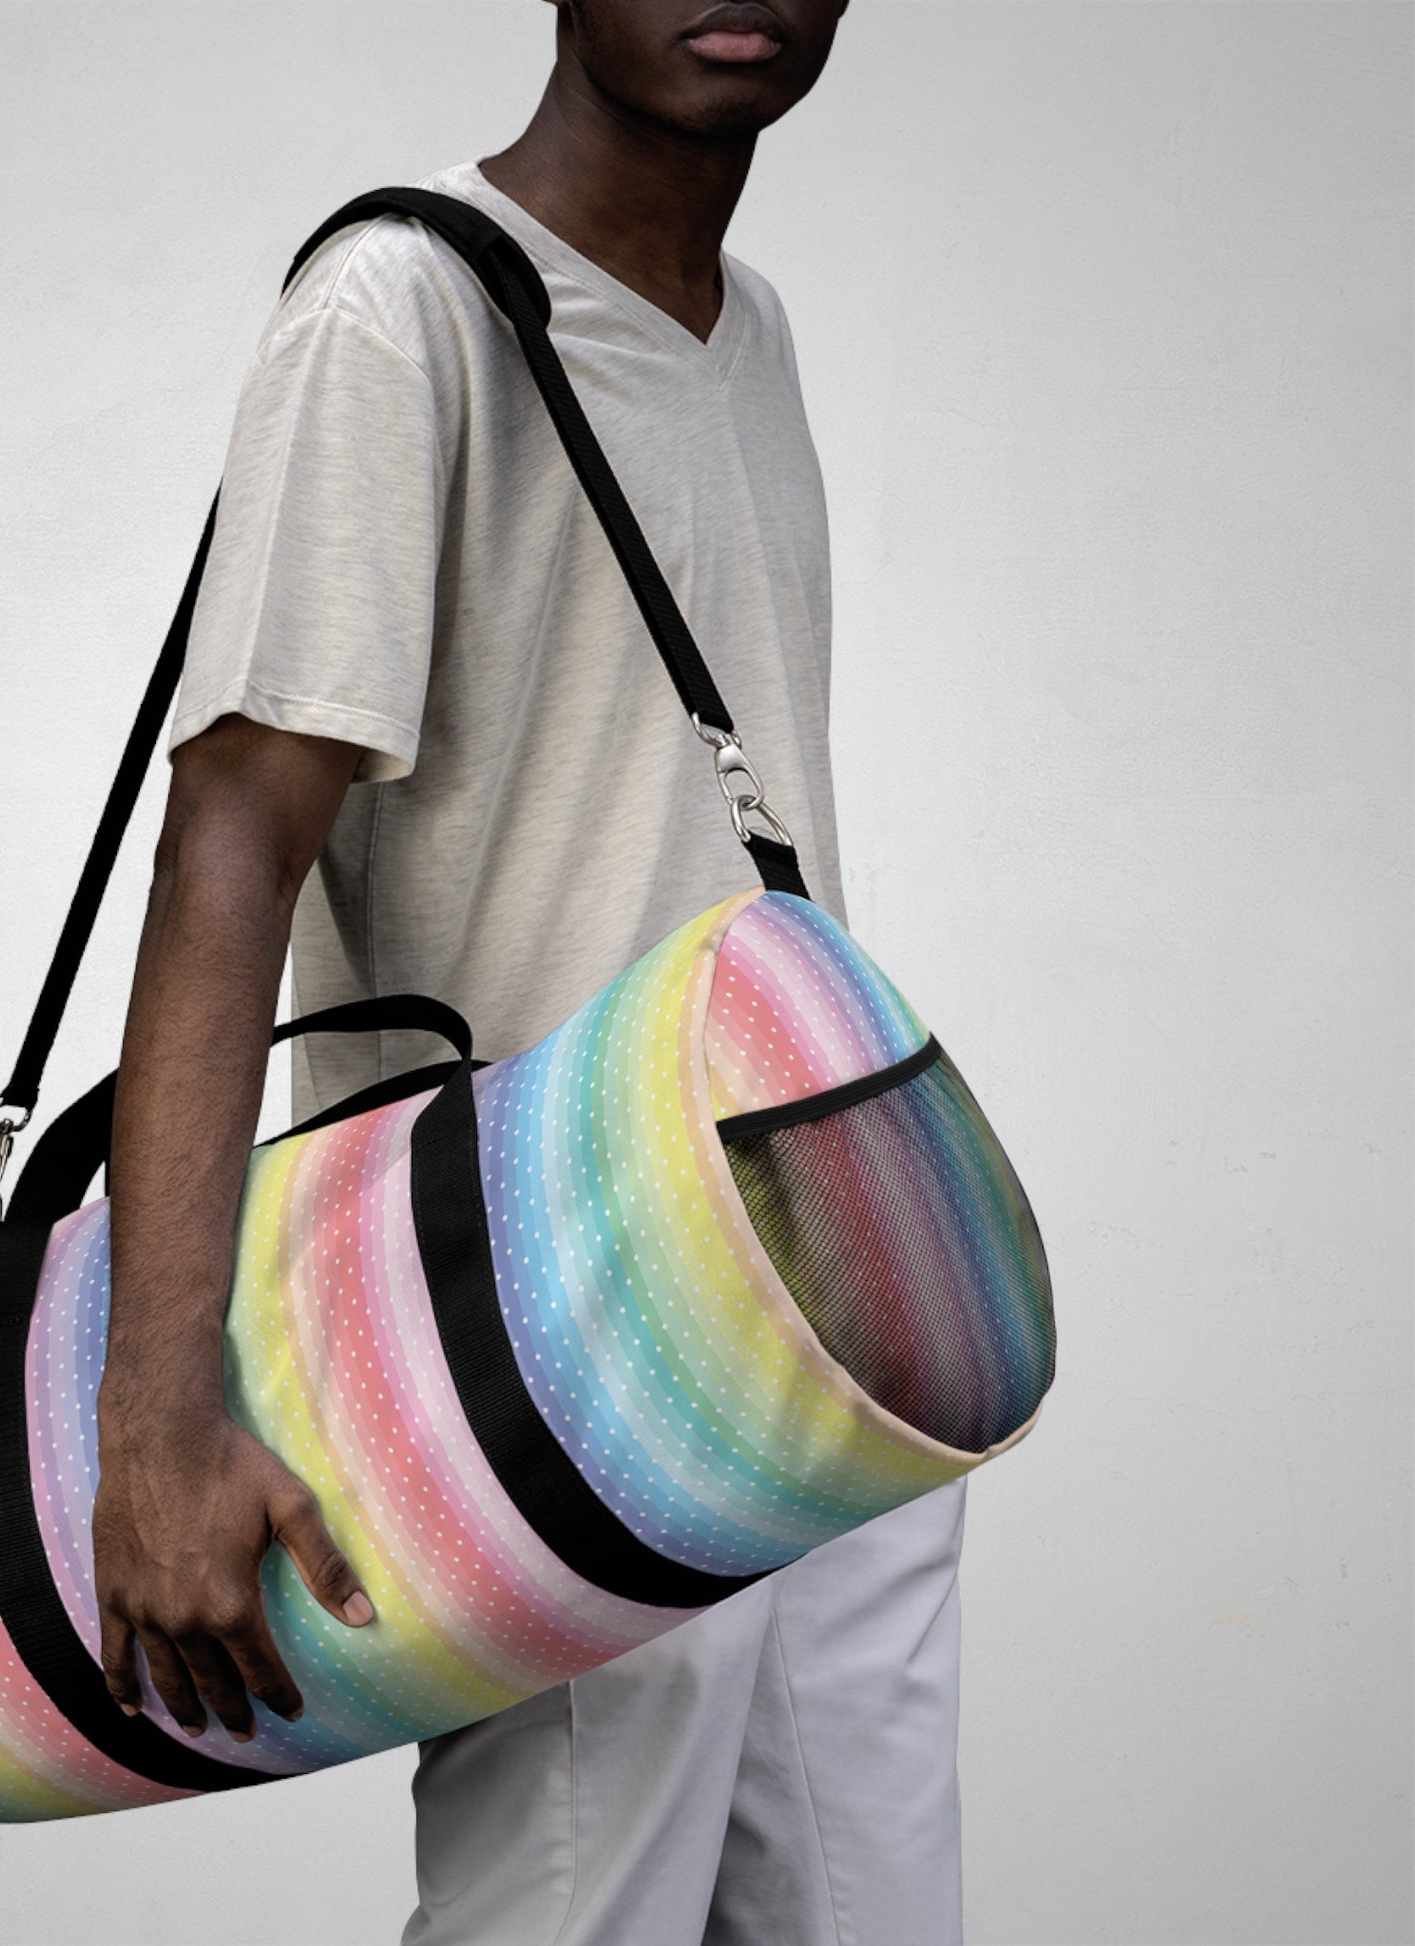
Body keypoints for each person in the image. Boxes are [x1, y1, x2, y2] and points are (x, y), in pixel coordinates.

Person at [93, 0, 969, 1939]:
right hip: (560, 1333)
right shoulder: (399, 316)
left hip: (826, 1301)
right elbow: (231, 837)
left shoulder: (757, 339)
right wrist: (156, 1415)